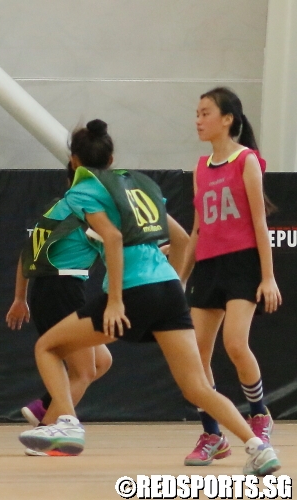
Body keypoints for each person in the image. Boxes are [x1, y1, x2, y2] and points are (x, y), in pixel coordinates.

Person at [17, 119, 280, 476]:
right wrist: (174, 282)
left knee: (46, 348)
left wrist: (115, 302)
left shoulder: (82, 190)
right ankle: (258, 448)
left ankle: (67, 423)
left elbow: (110, 239)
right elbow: (185, 240)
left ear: (75, 160)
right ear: (111, 156)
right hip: (168, 287)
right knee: (198, 387)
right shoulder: (139, 184)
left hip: (130, 292)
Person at [180, 87, 282, 466]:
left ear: (228, 119)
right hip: (207, 266)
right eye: (197, 112)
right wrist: (180, 277)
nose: (198, 119)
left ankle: (258, 413)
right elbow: (196, 230)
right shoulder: (200, 168)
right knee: (196, 358)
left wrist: (267, 277)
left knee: (236, 344)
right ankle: (212, 433)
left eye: (205, 112)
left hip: (242, 264)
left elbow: (259, 221)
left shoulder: (247, 161)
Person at [5, 166, 112, 457]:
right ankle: (48, 431)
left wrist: (19, 298)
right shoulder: (86, 213)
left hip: (49, 290)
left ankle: (46, 404)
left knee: (102, 360)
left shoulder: (56, 208)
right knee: (84, 369)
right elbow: (115, 249)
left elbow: (26, 254)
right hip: (62, 290)